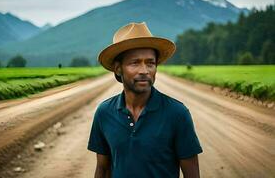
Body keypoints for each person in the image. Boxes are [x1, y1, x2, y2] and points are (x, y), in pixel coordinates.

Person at [87, 22, 203, 178]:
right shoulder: (104, 113)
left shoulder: (177, 114)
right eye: (135, 63)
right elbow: (102, 169)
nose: (144, 71)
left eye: (150, 63)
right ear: (118, 68)